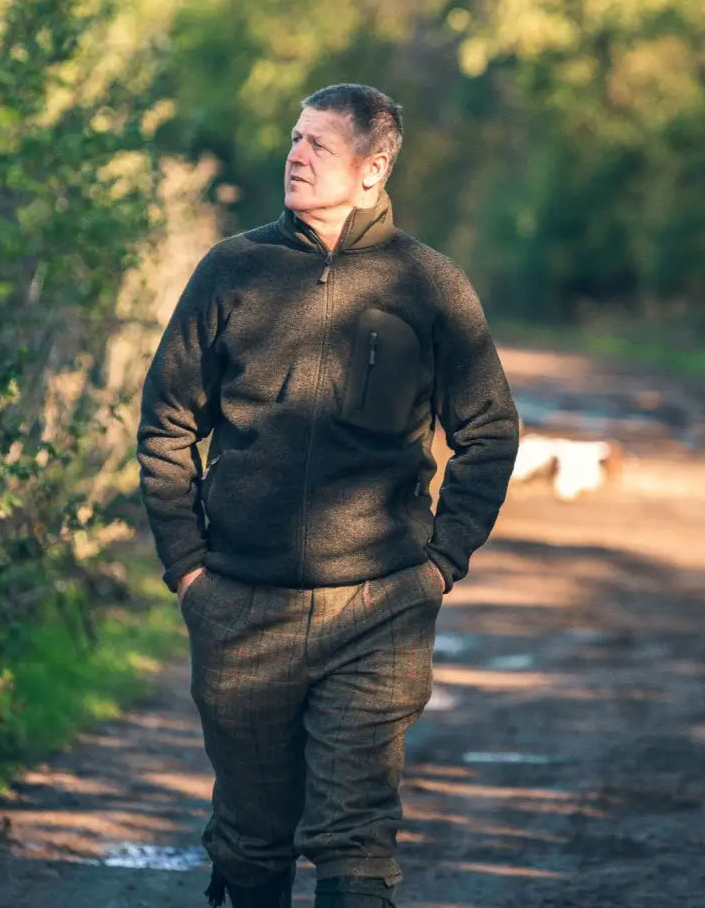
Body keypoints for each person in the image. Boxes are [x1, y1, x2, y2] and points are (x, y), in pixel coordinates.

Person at [136, 83, 519, 908]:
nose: (296, 155)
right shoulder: (233, 269)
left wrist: (440, 565)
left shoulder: (429, 285)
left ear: (373, 167)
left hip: (378, 609)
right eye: (295, 137)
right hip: (239, 607)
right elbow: (166, 422)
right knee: (250, 840)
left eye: (319, 144)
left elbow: (489, 432)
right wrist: (189, 570)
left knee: (355, 844)